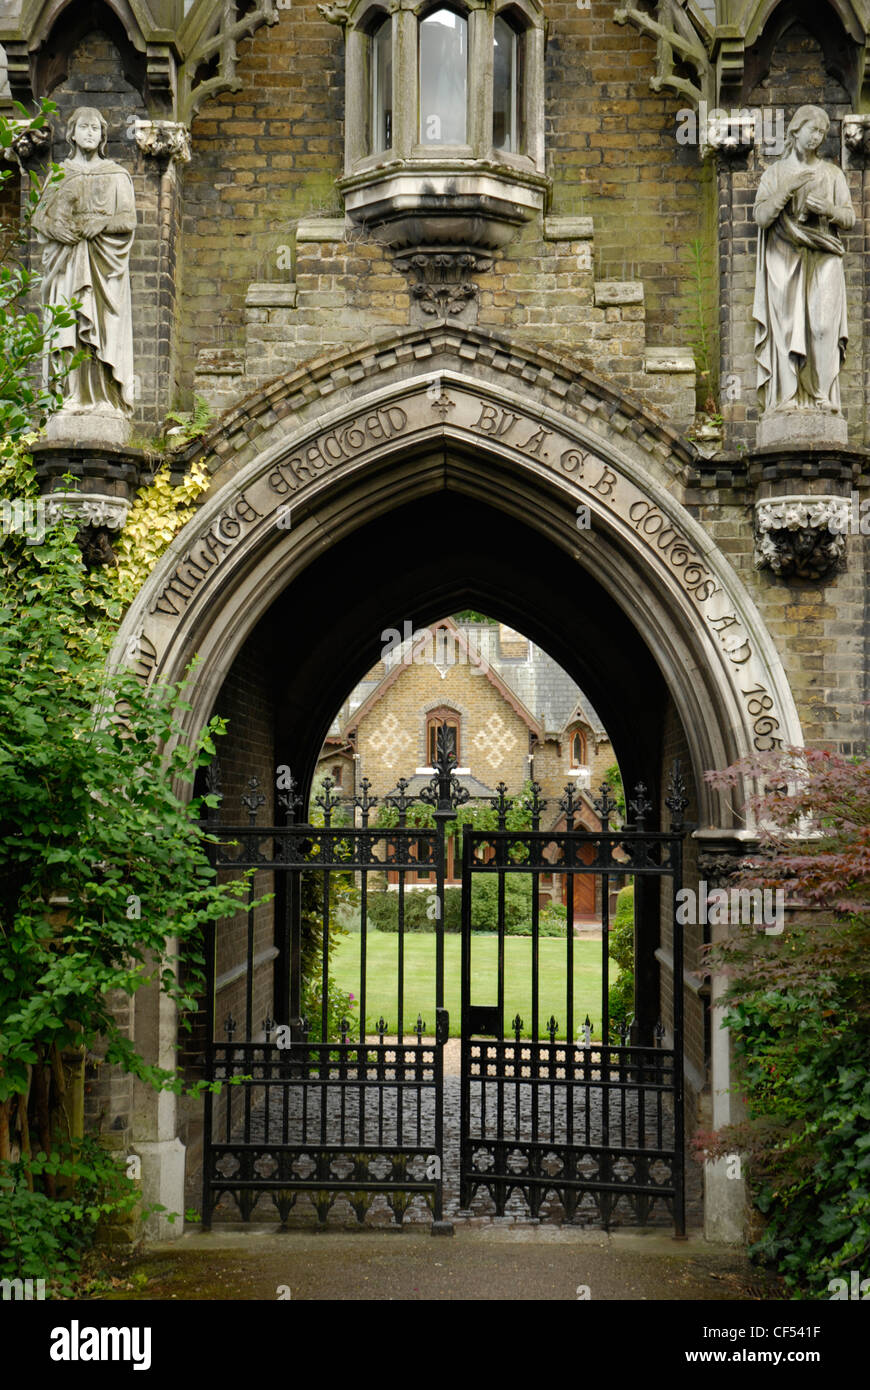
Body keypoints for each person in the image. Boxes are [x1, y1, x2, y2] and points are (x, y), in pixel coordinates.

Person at [33, 106, 136, 418]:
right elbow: (40, 218)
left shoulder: (116, 174)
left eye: (96, 128)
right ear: (72, 134)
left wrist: (102, 225)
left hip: (104, 268)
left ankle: (104, 398)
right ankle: (69, 396)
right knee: (69, 325)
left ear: (103, 136)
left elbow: (128, 218)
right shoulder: (61, 174)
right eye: (85, 127)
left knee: (101, 330)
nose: (90, 133)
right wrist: (56, 229)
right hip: (67, 263)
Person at [752, 104, 854, 416]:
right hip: (782, 256)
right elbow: (761, 217)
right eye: (813, 130)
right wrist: (786, 190)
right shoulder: (775, 173)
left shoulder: (831, 174)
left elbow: (849, 217)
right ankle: (787, 396)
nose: (817, 138)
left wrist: (827, 209)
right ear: (796, 130)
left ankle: (822, 395)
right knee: (785, 326)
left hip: (824, 256)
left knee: (823, 326)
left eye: (822, 133)